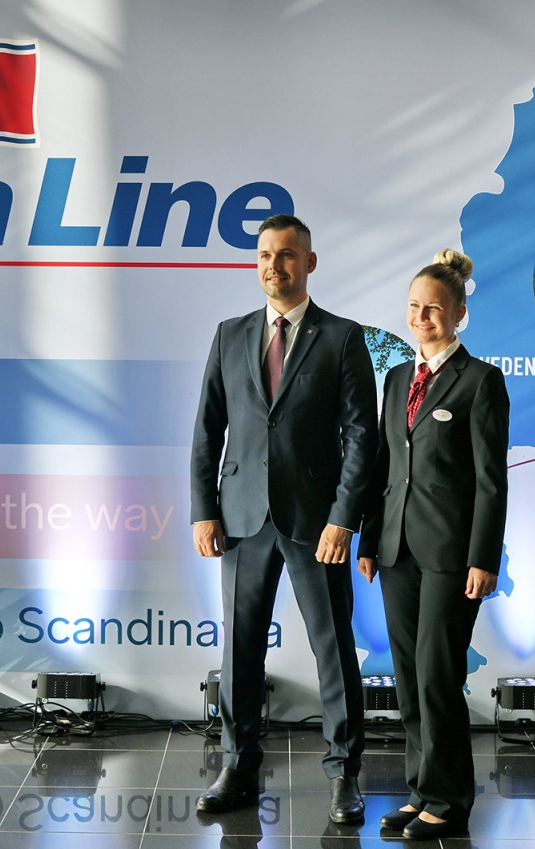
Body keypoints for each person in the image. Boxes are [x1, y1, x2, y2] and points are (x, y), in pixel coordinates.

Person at [190, 213, 377, 824]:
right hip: (241, 520)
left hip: (316, 524)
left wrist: (343, 518)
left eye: (288, 254)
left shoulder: (342, 337)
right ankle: (237, 765)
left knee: (334, 650)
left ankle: (344, 773)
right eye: (266, 255)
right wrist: (203, 511)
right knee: (240, 651)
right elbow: (207, 430)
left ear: (310, 263)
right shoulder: (229, 335)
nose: (275, 265)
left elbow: (362, 438)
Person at [357, 249, 509, 841]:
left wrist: (483, 558)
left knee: (437, 675)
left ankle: (449, 799)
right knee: (406, 674)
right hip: (396, 549)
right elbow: (384, 466)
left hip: (451, 556)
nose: (421, 318)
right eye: (414, 307)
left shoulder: (481, 381)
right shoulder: (398, 378)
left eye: (434, 309)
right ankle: (421, 791)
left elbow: (491, 481)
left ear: (459, 313)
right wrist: (370, 539)